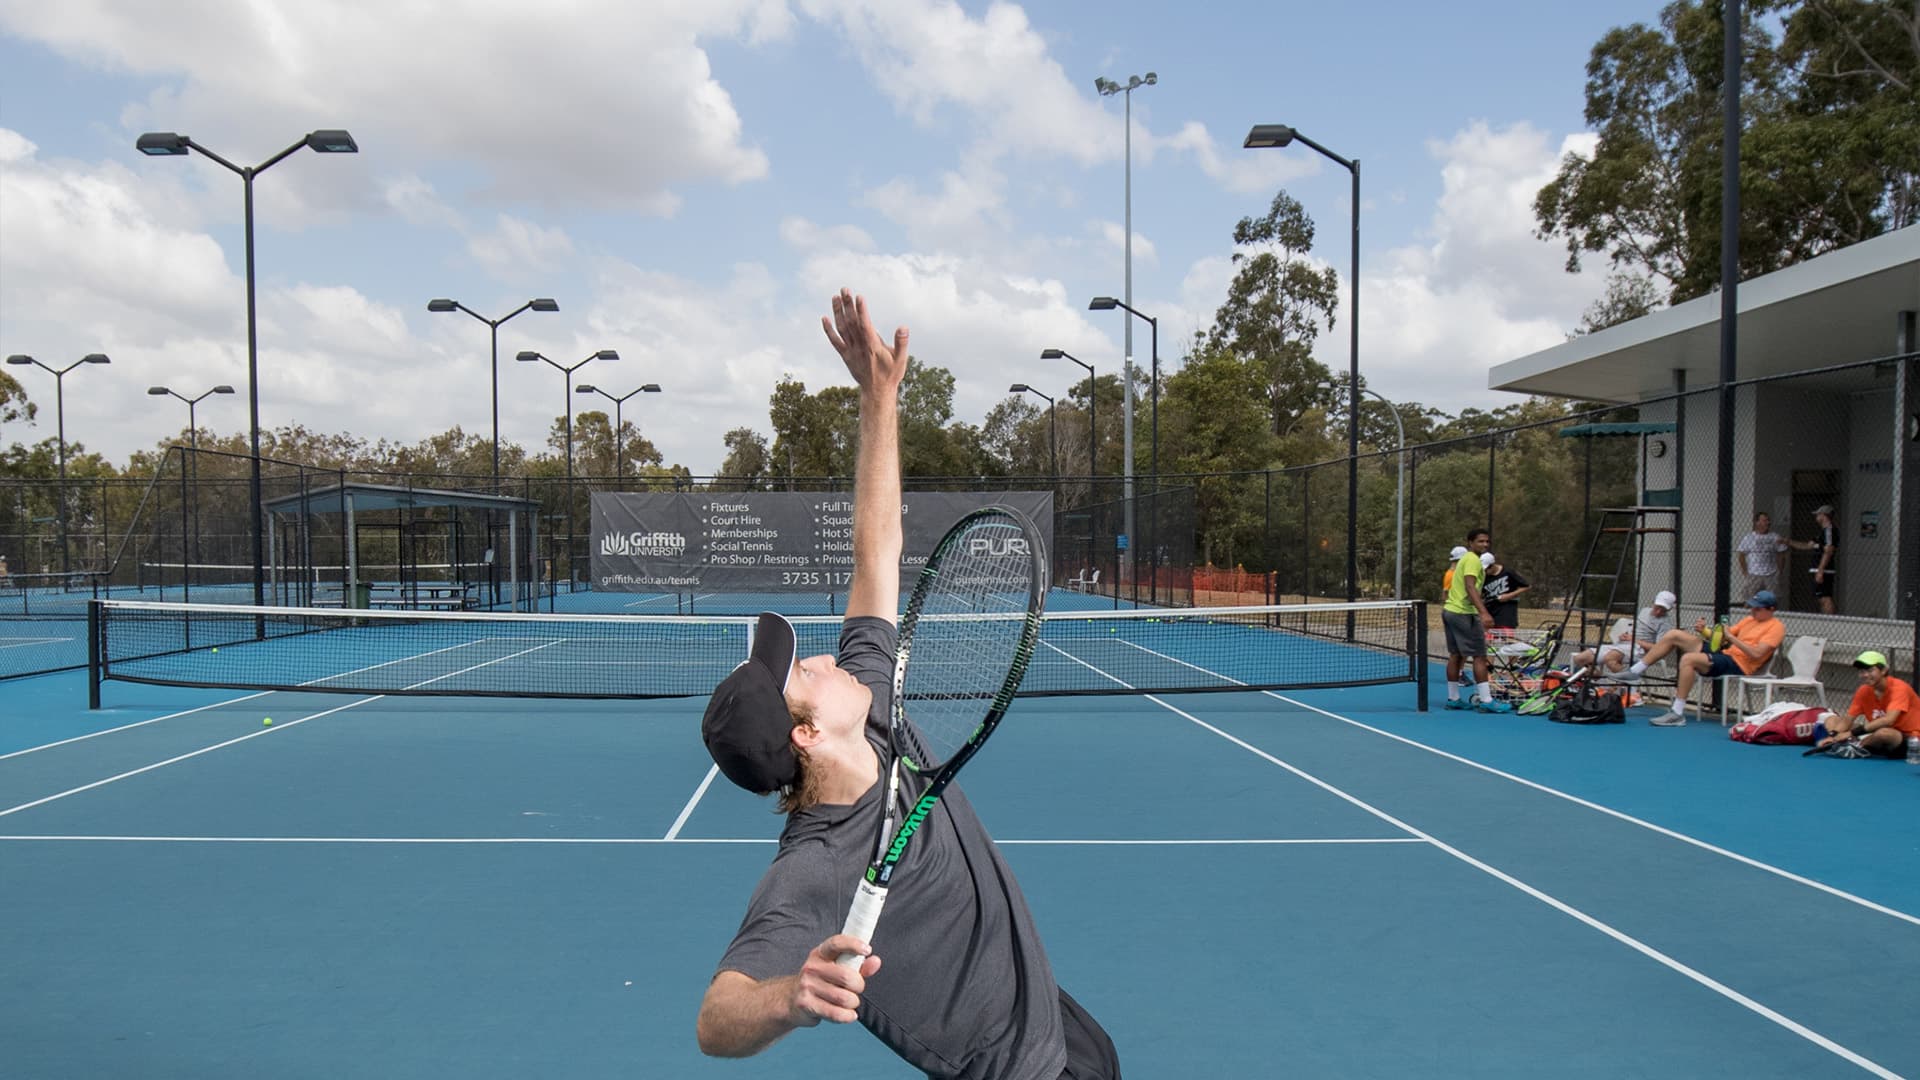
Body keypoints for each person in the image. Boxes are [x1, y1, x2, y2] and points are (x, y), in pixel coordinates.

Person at [695, 290, 1120, 1079]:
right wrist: (790, 994)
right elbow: (716, 1020)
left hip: (1054, 1019)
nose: (824, 659)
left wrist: (878, 398)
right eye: (803, 675)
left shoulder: (870, 704)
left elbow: (876, 550)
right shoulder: (817, 865)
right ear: (807, 734)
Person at [1623, 590, 1786, 726]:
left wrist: (1733, 639)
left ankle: (1677, 713)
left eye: (1758, 609)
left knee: (1688, 659)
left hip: (1740, 664)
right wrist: (1704, 631)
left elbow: (1757, 653)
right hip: (1726, 654)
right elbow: (1721, 639)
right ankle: (1636, 671)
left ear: (1771, 609)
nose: (1753, 611)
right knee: (1674, 635)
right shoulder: (1749, 619)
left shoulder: (1776, 627)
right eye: (1752, 607)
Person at [1442, 529, 1510, 713]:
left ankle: (1453, 698)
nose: (1485, 545)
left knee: (1456, 655)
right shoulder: (1472, 560)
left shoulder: (1466, 560)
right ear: (1470, 543)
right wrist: (1484, 613)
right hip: (1463, 613)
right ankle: (1487, 701)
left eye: (1487, 542)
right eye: (1480, 541)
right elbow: (1470, 586)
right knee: (1480, 656)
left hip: (1450, 611)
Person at [1811, 650, 1917, 757]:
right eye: (1862, 671)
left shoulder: (1899, 688)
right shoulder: (1864, 690)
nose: (1865, 675)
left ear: (1884, 670)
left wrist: (1851, 733)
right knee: (1831, 720)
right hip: (1875, 734)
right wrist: (1833, 735)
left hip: (1911, 739)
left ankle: (1856, 746)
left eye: (1870, 670)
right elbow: (1848, 719)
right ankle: (1850, 744)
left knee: (1884, 733)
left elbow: (1888, 720)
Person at [1570, 590, 1676, 677]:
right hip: (1623, 645)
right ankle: (1602, 679)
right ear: (1654, 602)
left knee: (1610, 658)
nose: (1658, 612)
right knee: (1580, 658)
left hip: (1639, 650)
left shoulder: (1665, 623)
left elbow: (1658, 648)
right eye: (1657, 607)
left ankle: (1626, 683)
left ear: (1669, 609)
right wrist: (1624, 635)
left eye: (1663, 610)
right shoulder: (1644, 611)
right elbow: (1634, 629)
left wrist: (1633, 640)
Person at [1790, 504, 1838, 614]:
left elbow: (1828, 550)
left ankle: (1829, 620)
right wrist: (1788, 542)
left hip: (1824, 570)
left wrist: (1821, 569)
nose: (1816, 517)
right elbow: (1808, 545)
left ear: (1824, 516)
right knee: (1820, 597)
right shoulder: (1822, 533)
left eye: (1818, 514)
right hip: (1818, 568)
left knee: (1825, 596)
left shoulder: (1829, 531)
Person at [1735, 512, 1788, 601]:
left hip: (1771, 573)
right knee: (1750, 599)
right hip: (1754, 573)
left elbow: (1781, 554)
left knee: (1772, 599)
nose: (1768, 522)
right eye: (1764, 520)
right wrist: (1745, 572)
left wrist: (1779, 571)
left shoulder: (1775, 537)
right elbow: (1741, 555)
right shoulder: (1749, 537)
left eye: (1768, 520)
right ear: (1757, 522)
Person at [1480, 556, 1530, 630]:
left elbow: (1526, 586)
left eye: (1487, 570)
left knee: (1505, 636)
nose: (1485, 572)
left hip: (1506, 612)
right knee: (1490, 638)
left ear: (1492, 565)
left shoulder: (1508, 572)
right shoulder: (1484, 577)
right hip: (1491, 611)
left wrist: (1509, 596)